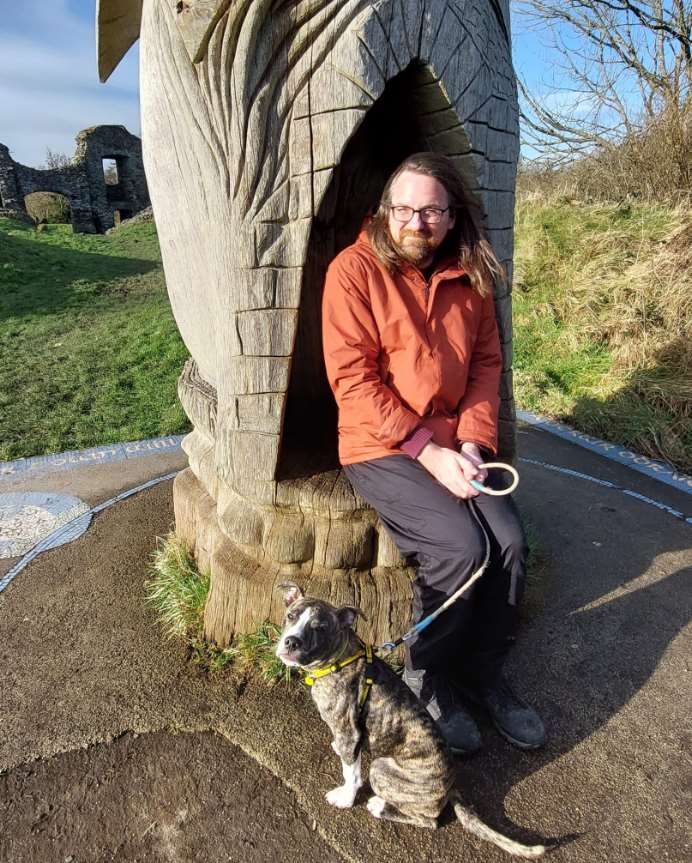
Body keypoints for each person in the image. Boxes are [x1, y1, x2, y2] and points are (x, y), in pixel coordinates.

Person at [320, 152, 545, 755]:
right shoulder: (353, 271)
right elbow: (354, 381)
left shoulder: (470, 276)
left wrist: (472, 442)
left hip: (453, 442)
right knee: (458, 546)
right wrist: (428, 451)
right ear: (387, 211)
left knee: (510, 544)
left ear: (450, 218)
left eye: (432, 211)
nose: (417, 221)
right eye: (406, 209)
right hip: (379, 444)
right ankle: (432, 676)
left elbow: (486, 367)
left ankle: (483, 673)